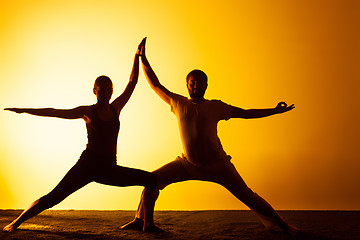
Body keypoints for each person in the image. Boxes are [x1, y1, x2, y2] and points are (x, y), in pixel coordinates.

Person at [121, 38, 299, 235]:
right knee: (150, 180)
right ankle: (140, 220)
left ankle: (281, 224)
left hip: (218, 166)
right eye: (192, 83)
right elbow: (155, 85)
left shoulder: (216, 106)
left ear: (206, 85)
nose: (196, 85)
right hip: (187, 164)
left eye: (200, 83)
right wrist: (143, 58)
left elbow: (246, 113)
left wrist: (274, 111)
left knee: (248, 196)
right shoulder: (178, 103)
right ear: (187, 85)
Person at [2, 39, 157, 232]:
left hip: (109, 168)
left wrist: (137, 56)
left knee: (151, 180)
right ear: (94, 91)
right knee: (53, 198)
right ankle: (15, 223)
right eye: (102, 90)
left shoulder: (116, 108)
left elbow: (132, 83)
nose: (106, 93)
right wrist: (24, 110)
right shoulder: (88, 111)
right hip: (86, 167)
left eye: (109, 90)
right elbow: (55, 111)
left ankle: (147, 224)